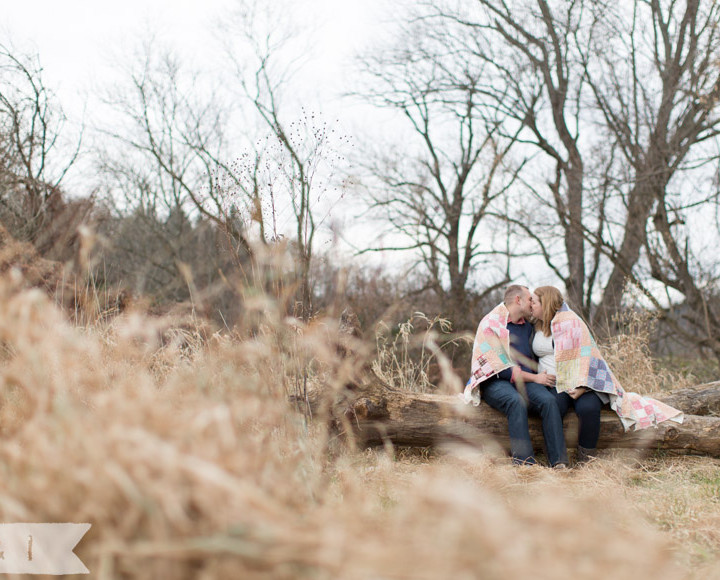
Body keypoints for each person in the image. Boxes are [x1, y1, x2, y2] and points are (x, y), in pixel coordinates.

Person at [529, 285, 684, 463]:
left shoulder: (570, 322)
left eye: (534, 301)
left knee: (588, 409)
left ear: (546, 303)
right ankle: (557, 460)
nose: (530, 305)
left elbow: (588, 356)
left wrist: (582, 386)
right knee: (553, 407)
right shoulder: (534, 325)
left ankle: (586, 458)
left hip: (583, 383)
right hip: (555, 385)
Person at [463, 285, 568, 467]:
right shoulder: (492, 324)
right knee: (515, 402)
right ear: (518, 300)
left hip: (525, 381)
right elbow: (500, 368)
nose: (532, 304)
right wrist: (536, 378)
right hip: (496, 381)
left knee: (548, 401)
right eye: (530, 299)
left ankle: (559, 462)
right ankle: (524, 464)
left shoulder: (527, 327)